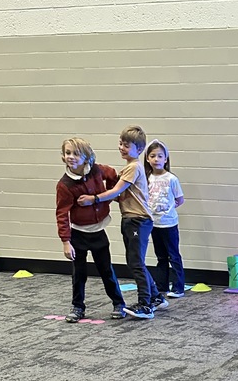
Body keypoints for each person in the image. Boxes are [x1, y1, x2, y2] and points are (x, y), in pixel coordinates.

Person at [77, 125, 165, 320]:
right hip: (131, 219)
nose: (121, 148)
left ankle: (145, 304)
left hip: (138, 220)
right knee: (135, 261)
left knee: (136, 263)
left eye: (126, 145)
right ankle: (156, 296)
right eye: (120, 143)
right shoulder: (129, 168)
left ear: (139, 149)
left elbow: (116, 191)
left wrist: (94, 199)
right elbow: (121, 196)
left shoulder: (134, 167)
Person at [55, 137, 126, 323]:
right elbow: (62, 214)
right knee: (79, 274)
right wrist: (66, 241)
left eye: (76, 153)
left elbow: (112, 175)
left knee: (106, 270)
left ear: (86, 157)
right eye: (67, 153)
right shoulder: (64, 185)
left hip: (97, 232)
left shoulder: (96, 170)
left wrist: (107, 196)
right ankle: (78, 306)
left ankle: (119, 303)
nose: (71, 157)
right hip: (78, 233)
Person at [144, 139, 186, 298]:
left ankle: (178, 287)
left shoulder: (171, 179)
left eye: (160, 156)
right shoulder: (147, 178)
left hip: (169, 223)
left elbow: (180, 199)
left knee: (173, 255)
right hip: (154, 223)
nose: (156, 159)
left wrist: (168, 209)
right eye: (152, 156)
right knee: (160, 256)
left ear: (166, 159)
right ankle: (162, 286)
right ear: (147, 159)